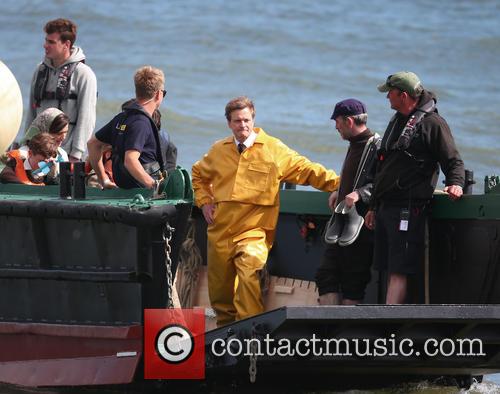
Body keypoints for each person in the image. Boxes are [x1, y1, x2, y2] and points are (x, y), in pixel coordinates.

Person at [192, 96, 340, 327]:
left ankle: (248, 334)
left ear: (253, 118)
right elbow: (198, 175)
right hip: (220, 232)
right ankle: (225, 336)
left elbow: (308, 171)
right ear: (229, 123)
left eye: (247, 120)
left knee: (250, 273)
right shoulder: (218, 151)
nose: (243, 125)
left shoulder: (273, 149)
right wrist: (204, 202)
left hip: (254, 231)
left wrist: (343, 183)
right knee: (220, 295)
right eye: (237, 121)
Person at [365, 71, 465, 304]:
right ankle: (386, 317)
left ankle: (388, 321)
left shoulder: (433, 124)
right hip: (385, 207)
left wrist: (455, 184)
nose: (387, 97)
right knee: (387, 266)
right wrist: (373, 206)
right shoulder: (397, 121)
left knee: (399, 268)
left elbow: (453, 160)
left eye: (389, 93)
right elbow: (383, 168)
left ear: (404, 95)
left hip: (408, 208)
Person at [315, 99, 380, 305]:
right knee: (326, 276)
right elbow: (354, 174)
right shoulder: (354, 144)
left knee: (354, 282)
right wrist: (338, 189)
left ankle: (343, 334)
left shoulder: (378, 146)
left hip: (361, 226)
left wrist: (360, 194)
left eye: (337, 122)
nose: (336, 127)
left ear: (349, 121)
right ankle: (329, 329)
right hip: (341, 224)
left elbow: (386, 182)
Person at [25, 18, 97, 162]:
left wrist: (76, 155)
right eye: (46, 40)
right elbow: (31, 114)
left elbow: (87, 118)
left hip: (67, 155)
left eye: (51, 42)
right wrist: (27, 145)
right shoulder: (40, 71)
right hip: (39, 154)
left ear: (66, 44)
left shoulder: (84, 74)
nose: (45, 45)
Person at [87, 66, 166, 189]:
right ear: (158, 94)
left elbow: (93, 144)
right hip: (142, 191)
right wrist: (154, 186)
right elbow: (130, 160)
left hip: (124, 187)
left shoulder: (122, 117)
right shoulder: (142, 122)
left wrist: (104, 180)